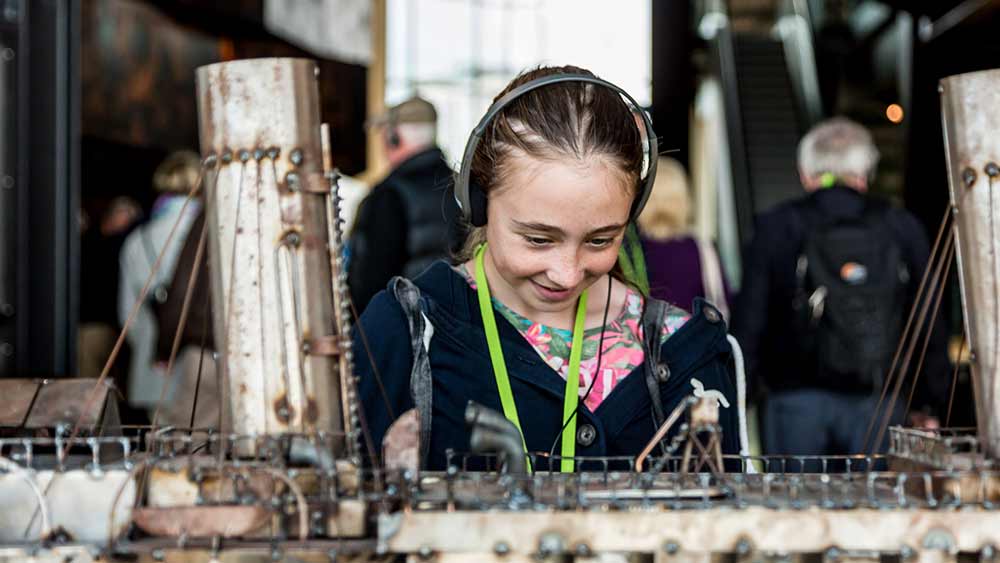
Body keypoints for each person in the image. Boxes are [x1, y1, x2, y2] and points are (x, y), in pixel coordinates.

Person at [354, 66, 743, 471]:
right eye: (538, 239)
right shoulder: (406, 332)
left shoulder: (688, 350)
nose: (567, 273)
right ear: (478, 202)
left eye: (600, 240)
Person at [731, 117, 948, 459]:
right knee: (879, 508)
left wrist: (739, 395)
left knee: (797, 507)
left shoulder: (777, 225)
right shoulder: (899, 225)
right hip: (880, 400)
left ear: (805, 172)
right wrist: (929, 400)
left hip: (794, 401)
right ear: (865, 172)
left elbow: (751, 318)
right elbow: (929, 316)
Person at [118, 150, 217, 425]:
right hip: (202, 365)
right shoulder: (212, 234)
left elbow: (128, 315)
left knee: (162, 455)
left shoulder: (137, 239)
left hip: (153, 368)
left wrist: (150, 345)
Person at [348, 96, 461, 311]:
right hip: (452, 325)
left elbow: (371, 283)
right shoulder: (461, 186)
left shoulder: (389, 195)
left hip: (403, 329)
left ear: (394, 137)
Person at [638, 156, 731, 319]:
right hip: (693, 339)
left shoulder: (629, 251)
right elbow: (723, 299)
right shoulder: (701, 248)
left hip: (642, 341)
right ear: (683, 199)